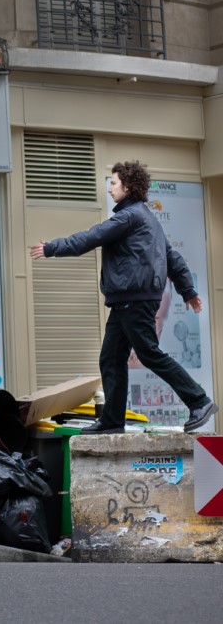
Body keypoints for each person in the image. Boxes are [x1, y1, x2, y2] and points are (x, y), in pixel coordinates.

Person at [29, 160, 217, 434]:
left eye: (113, 183)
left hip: (135, 299)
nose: (109, 189)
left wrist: (52, 248)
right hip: (127, 301)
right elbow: (171, 256)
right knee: (111, 358)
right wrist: (187, 291)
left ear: (128, 186)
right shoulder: (146, 217)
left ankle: (199, 401)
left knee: (149, 353)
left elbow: (91, 237)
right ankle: (113, 421)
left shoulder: (129, 217)